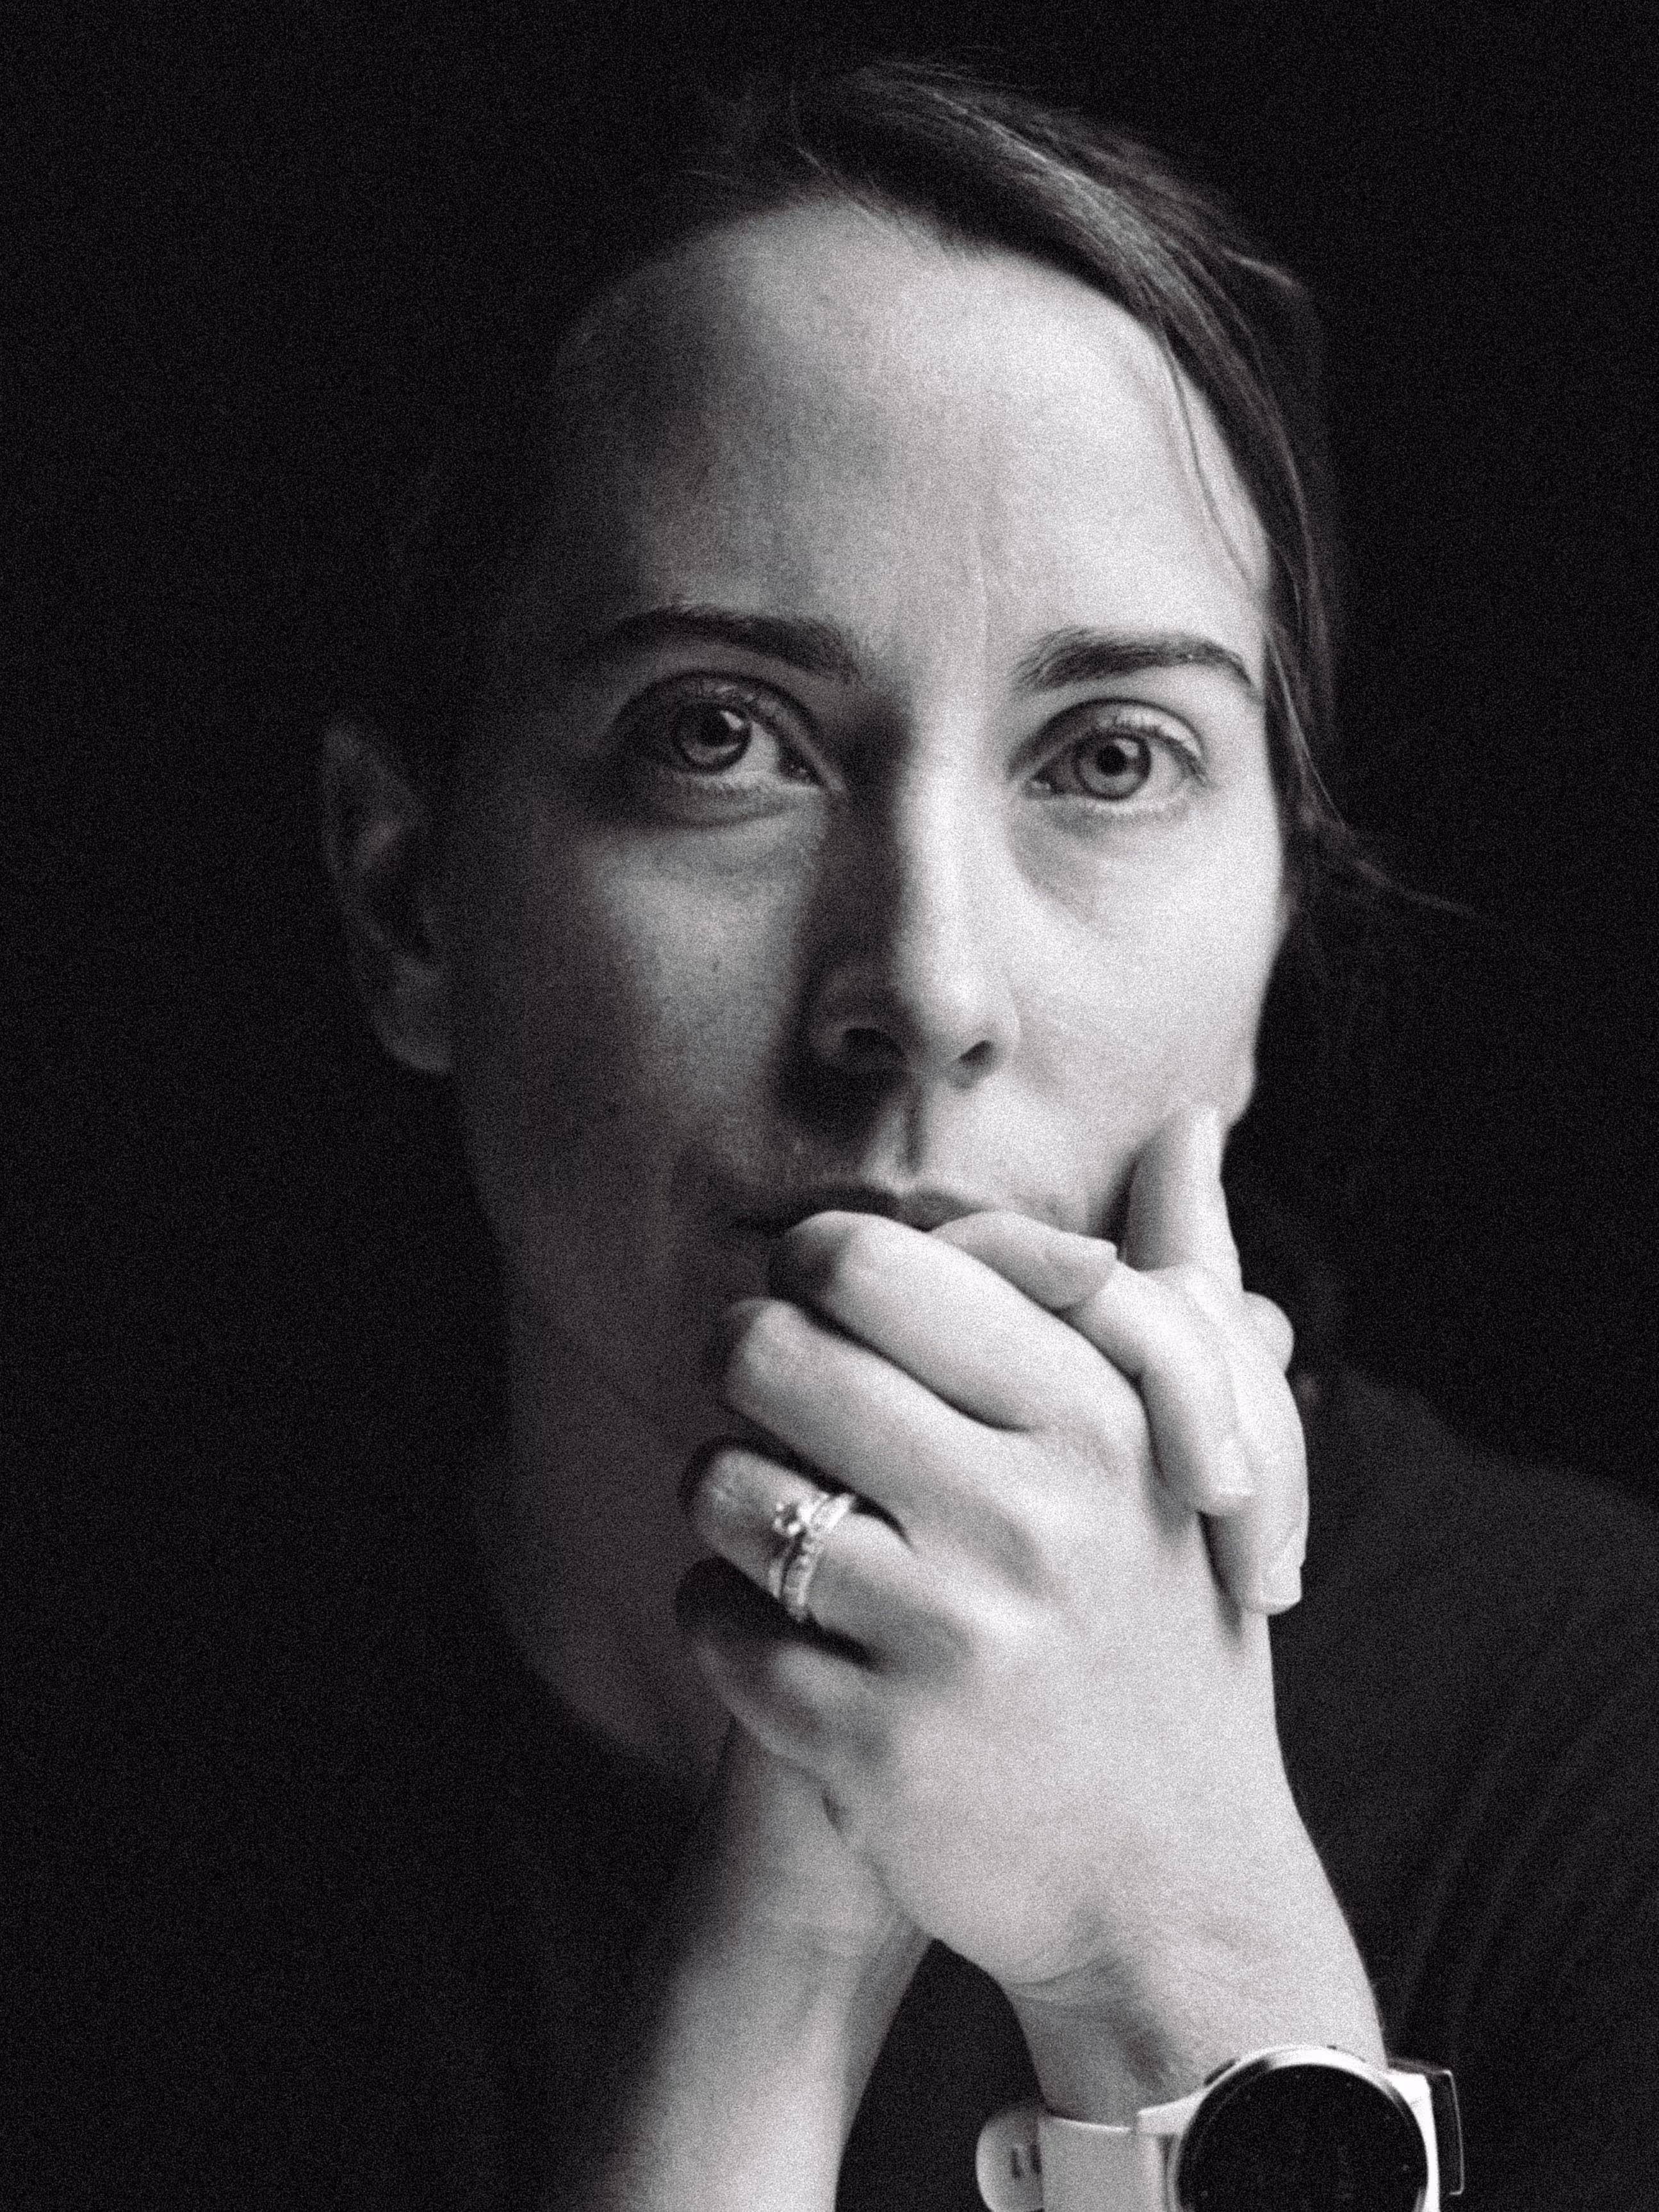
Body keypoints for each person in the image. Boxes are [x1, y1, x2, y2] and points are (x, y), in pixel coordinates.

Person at [316, 60, 1659, 2212]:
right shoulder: (104, 1768)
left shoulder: (1602, 1749)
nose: (925, 987)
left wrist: (1173, 1941)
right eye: (720, 737)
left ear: (1277, 914)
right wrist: (784, 1906)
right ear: (408, 902)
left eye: (1109, 756)